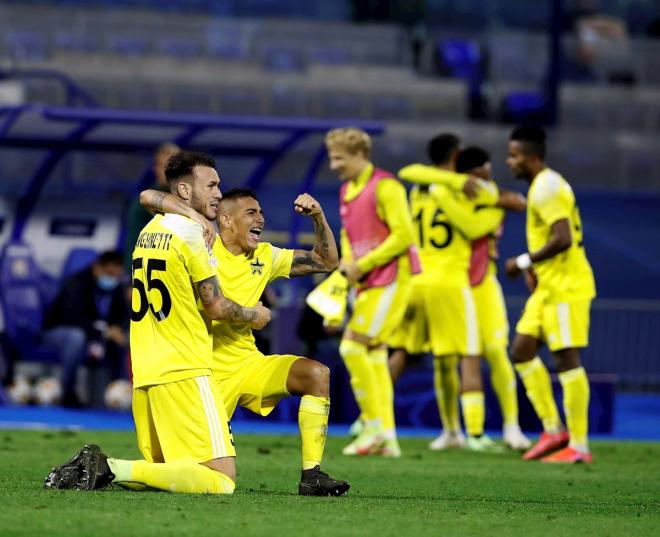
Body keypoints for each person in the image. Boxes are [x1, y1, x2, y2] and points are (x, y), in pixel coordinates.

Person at [44, 151, 271, 494]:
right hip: (185, 370)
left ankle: (99, 472)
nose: (218, 194)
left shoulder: (150, 231)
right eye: (210, 185)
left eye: (219, 186)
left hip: (146, 373)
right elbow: (217, 308)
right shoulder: (194, 235)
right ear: (183, 190)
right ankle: (109, 468)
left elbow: (149, 197)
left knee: (167, 474)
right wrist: (257, 316)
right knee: (221, 480)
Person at [139, 186, 350, 496]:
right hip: (203, 374)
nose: (260, 218)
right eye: (251, 212)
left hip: (248, 363)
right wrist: (254, 315)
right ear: (225, 220)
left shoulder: (264, 255)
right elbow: (148, 197)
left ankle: (312, 475)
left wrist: (319, 217)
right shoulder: (200, 249)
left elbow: (326, 261)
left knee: (317, 374)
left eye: (261, 212)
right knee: (187, 472)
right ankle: (111, 470)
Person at [325, 127, 419, 457]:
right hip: (367, 281)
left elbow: (404, 235)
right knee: (376, 356)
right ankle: (388, 439)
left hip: (394, 277)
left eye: (339, 158)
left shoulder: (387, 186)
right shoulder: (347, 191)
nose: (333, 165)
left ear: (360, 155)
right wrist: (349, 269)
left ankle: (372, 427)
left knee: (352, 346)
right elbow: (350, 237)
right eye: (331, 157)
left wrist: (362, 265)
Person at [505, 126, 595, 463]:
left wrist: (522, 261)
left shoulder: (547, 188)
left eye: (513, 155)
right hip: (547, 286)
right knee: (522, 350)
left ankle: (580, 446)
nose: (508, 161)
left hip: (567, 288)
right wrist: (535, 269)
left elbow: (563, 238)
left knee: (566, 359)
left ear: (531, 157)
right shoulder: (542, 186)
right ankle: (553, 430)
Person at [455, 146, 530, 450]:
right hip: (459, 283)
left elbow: (520, 202)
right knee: (467, 358)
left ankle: (512, 428)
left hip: (485, 282)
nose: (489, 173)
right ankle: (473, 432)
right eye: (484, 170)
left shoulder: (489, 195)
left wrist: (493, 195)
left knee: (497, 353)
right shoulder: (456, 195)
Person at [42, 250, 129, 408]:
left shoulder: (116, 287)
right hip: (58, 332)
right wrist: (105, 331)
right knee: (76, 338)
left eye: (116, 275)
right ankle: (68, 392)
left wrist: (118, 329)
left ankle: (124, 391)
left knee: (129, 336)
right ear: (97, 267)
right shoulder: (76, 283)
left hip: (96, 334)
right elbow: (73, 318)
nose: (112, 279)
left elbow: (123, 315)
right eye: (109, 274)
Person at [123, 142, 180, 273]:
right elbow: (133, 241)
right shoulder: (142, 201)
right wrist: (130, 277)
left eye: (170, 165)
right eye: (160, 165)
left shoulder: (193, 199)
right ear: (154, 168)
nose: (165, 170)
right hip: (149, 271)